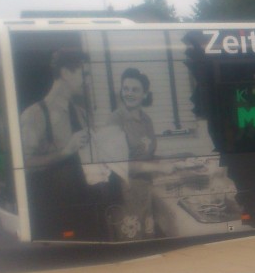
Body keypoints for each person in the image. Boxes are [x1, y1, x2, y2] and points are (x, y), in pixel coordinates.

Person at [19, 49, 95, 239]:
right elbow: (24, 164)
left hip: (87, 204)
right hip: (56, 207)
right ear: (66, 73)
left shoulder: (82, 113)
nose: (88, 81)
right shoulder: (34, 115)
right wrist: (65, 152)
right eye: (84, 74)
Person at [109, 68, 158, 238]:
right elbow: (119, 164)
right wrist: (161, 167)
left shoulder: (147, 120)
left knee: (148, 239)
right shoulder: (115, 119)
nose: (129, 93)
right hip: (125, 192)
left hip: (145, 189)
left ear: (144, 94)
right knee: (132, 241)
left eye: (135, 89)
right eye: (126, 89)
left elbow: (147, 154)